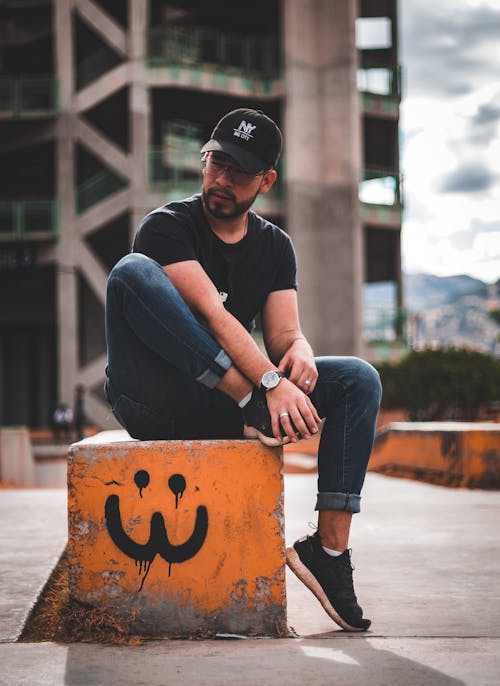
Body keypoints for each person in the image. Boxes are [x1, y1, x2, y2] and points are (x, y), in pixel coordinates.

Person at [104, 108, 382, 632]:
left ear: (266, 181)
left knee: (358, 379)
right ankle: (248, 404)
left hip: (225, 404)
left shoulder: (274, 246)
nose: (222, 179)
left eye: (239, 171)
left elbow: (281, 335)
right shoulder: (167, 227)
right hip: (153, 397)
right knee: (130, 272)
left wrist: (297, 351)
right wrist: (267, 387)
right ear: (204, 160)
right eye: (216, 162)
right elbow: (213, 314)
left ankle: (328, 551)